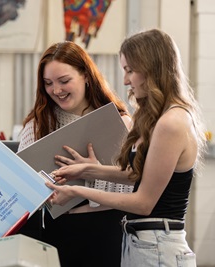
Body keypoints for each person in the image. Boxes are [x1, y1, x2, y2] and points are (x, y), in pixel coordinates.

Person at [46, 29, 207, 267]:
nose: (125, 80)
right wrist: (88, 171)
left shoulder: (171, 123)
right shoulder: (158, 117)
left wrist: (79, 192)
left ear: (152, 68)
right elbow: (138, 175)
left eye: (130, 70)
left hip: (158, 247)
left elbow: (143, 202)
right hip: (142, 241)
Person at [17, 40, 134, 267]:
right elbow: (22, 184)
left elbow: (133, 187)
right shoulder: (38, 124)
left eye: (64, 81)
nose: (56, 90)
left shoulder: (118, 121)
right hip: (58, 231)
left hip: (106, 229)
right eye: (48, 83)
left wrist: (94, 172)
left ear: (86, 76)